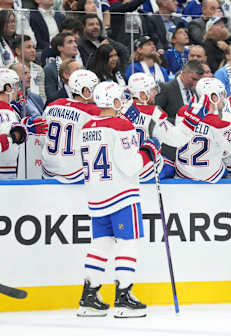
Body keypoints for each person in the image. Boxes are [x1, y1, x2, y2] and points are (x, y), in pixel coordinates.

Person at [77, 81, 160, 318]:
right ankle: (123, 295)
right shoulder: (121, 125)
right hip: (121, 195)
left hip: (96, 195)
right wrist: (148, 152)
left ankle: (89, 297)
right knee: (128, 242)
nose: (123, 103)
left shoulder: (87, 126)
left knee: (100, 244)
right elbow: (130, 165)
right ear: (114, 102)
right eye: (120, 99)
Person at [175, 77, 231, 182]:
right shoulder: (220, 123)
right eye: (221, 94)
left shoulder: (182, 111)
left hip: (182, 172)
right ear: (213, 98)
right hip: (207, 177)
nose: (224, 98)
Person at [127, 73, 192, 180]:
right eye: (152, 90)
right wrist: (191, 120)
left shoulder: (119, 111)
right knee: (172, 166)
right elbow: (177, 140)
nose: (156, 93)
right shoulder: (154, 114)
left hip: (126, 169)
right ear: (143, 95)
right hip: (146, 170)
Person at [42, 69, 101, 183]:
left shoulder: (53, 105)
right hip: (75, 172)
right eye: (94, 87)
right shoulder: (92, 112)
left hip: (49, 169)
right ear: (85, 91)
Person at [0, 68, 47, 179]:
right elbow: (10, 135)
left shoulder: (9, 109)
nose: (18, 90)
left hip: (8, 170)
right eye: (16, 86)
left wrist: (23, 123)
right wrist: (19, 132)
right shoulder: (4, 110)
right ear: (7, 88)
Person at [155, 60, 204, 160]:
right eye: (193, 79)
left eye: (198, 81)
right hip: (171, 144)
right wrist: (179, 123)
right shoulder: (165, 88)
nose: (195, 84)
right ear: (184, 72)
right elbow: (155, 114)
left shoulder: (195, 91)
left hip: (192, 144)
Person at [44, 32, 82, 104]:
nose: (75, 45)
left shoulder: (80, 66)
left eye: (75, 42)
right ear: (60, 47)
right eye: (70, 42)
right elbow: (51, 97)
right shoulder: (50, 69)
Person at [12, 34, 46, 104]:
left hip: (37, 107)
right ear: (18, 51)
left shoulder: (39, 69)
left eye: (34, 47)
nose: (33, 50)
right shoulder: (11, 69)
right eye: (29, 47)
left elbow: (42, 95)